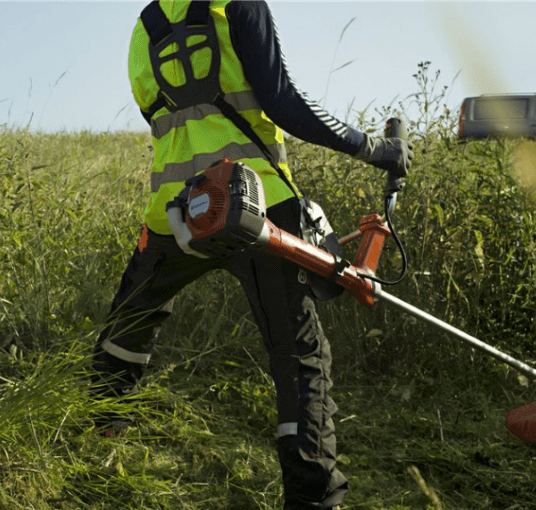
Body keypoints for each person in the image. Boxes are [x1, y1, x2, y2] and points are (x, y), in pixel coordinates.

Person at [90, 1, 412, 508]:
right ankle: (311, 500)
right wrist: (373, 148)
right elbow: (281, 100)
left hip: (175, 212)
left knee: (125, 333)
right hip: (258, 206)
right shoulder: (237, 5)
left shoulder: (144, 28)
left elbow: (160, 116)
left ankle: (92, 451)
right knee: (297, 358)